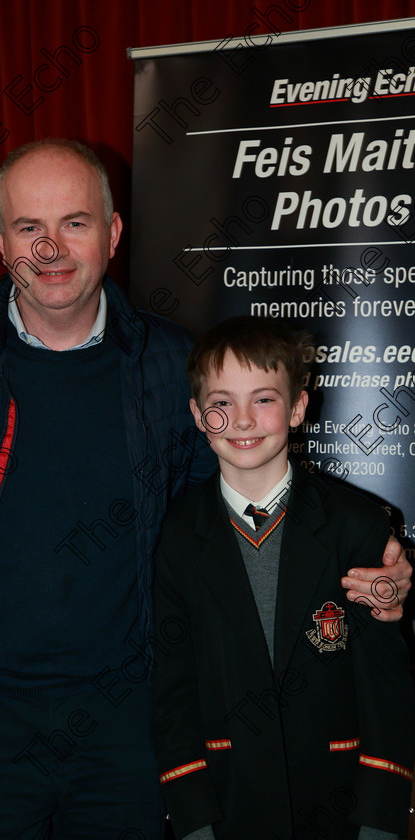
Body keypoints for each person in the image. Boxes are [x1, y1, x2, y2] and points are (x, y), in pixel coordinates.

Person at [0, 141, 410, 839]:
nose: (51, 248)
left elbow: (241, 504)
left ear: (113, 234)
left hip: (127, 725)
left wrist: (369, 548)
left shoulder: (169, 361)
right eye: (29, 227)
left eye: (76, 223)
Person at [151, 315, 415, 840]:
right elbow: (171, 686)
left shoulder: (356, 527)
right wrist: (192, 814)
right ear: (198, 416)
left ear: (297, 407)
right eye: (222, 403)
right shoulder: (177, 533)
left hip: (336, 802)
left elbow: (387, 690)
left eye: (264, 399)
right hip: (226, 804)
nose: (243, 419)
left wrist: (380, 819)